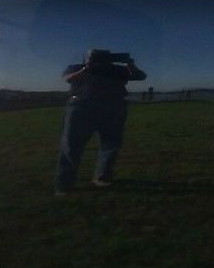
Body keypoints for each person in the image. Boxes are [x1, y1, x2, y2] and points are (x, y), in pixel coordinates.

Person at [54, 49, 146, 194]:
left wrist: (129, 64)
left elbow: (140, 76)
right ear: (85, 58)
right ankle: (64, 184)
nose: (100, 60)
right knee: (71, 146)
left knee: (110, 144)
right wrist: (86, 68)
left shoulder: (117, 69)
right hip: (81, 108)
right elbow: (68, 79)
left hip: (113, 108)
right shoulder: (77, 67)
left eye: (103, 57)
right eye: (95, 57)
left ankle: (102, 177)